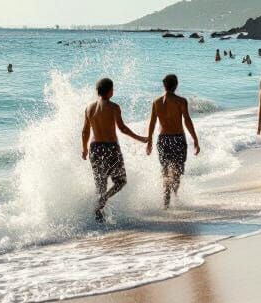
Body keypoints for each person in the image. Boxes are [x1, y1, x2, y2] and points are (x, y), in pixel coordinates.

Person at [82, 77, 148, 221]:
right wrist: (141, 138)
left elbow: (85, 131)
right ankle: (104, 199)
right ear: (110, 91)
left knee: (100, 184)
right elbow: (122, 128)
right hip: (110, 148)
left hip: (95, 148)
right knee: (121, 181)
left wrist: (84, 149)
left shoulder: (89, 108)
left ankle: (98, 218)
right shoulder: (113, 107)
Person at [146, 74, 199, 208]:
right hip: (177, 139)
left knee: (165, 170)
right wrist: (195, 139)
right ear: (176, 85)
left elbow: (152, 123)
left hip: (163, 139)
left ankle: (166, 199)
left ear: (164, 85)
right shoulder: (181, 101)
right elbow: (187, 120)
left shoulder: (156, 102)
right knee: (176, 171)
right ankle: (173, 195)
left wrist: (150, 141)